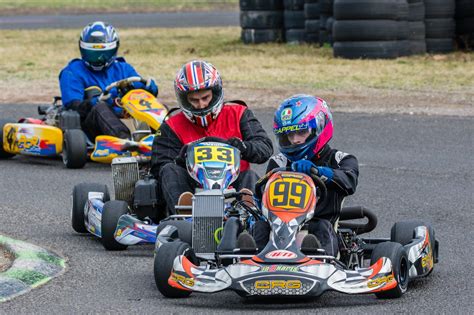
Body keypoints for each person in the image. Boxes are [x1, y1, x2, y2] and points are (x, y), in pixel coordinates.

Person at [150, 60, 273, 216]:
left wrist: (244, 147)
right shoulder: (172, 125)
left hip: (232, 185)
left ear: (215, 93)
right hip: (192, 187)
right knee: (169, 170)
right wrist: (181, 159)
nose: (201, 105)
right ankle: (186, 214)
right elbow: (158, 167)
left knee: (249, 175)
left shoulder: (239, 114)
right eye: (194, 100)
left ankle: (246, 213)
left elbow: (265, 147)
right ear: (183, 99)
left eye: (205, 98)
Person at [257, 94, 359, 256]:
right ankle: (247, 260)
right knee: (260, 227)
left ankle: (322, 264)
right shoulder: (279, 163)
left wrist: (319, 172)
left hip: (319, 226)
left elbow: (349, 181)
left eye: (301, 132)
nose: (295, 140)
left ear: (319, 127)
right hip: (279, 227)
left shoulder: (340, 159)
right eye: (290, 135)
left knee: (321, 229)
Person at [59, 21, 158, 140]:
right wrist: (94, 102)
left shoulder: (123, 68)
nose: (98, 59)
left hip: (126, 116)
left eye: (103, 54)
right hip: (90, 127)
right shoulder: (72, 72)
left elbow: (139, 92)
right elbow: (73, 106)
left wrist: (149, 89)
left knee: (158, 108)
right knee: (100, 107)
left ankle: (165, 138)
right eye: (92, 53)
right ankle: (125, 142)